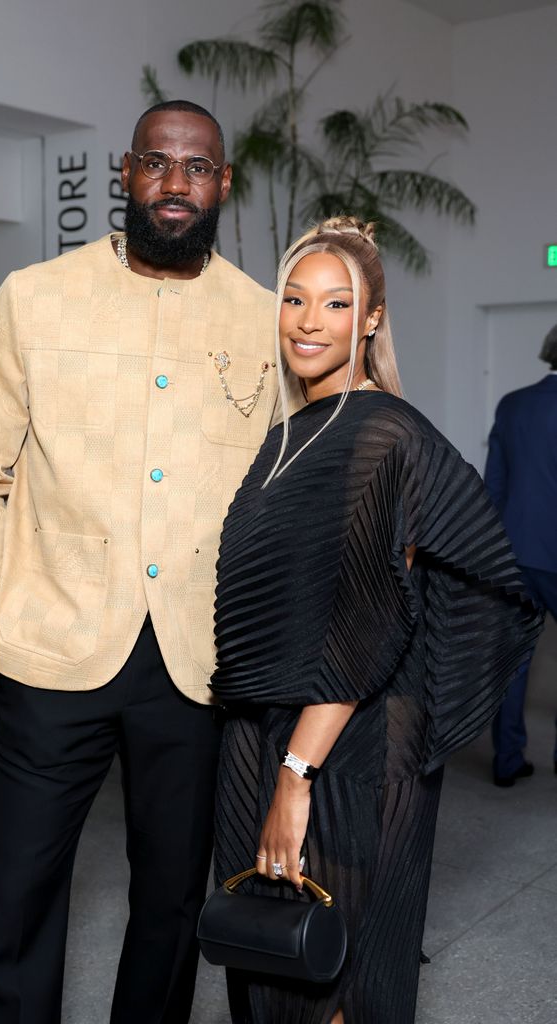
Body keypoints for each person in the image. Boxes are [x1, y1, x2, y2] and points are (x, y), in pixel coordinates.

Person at [0, 100, 281, 1024]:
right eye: (158, 163)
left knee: (171, 903)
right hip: (50, 650)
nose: (178, 183)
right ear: (126, 174)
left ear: (224, 185)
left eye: (198, 167)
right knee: (19, 895)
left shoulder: (261, 320)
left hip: (197, 668)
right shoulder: (33, 296)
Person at [210, 217, 542, 1024]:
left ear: (371, 319)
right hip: (265, 731)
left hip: (344, 746)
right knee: (266, 956)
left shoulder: (383, 433)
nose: (308, 321)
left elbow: (366, 622)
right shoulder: (286, 435)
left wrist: (296, 778)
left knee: (339, 979)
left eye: (335, 303)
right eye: (294, 299)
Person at [484, 326, 557, 786]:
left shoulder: (512, 404)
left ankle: (507, 759)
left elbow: (494, 485)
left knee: (513, 660)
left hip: (514, 551)